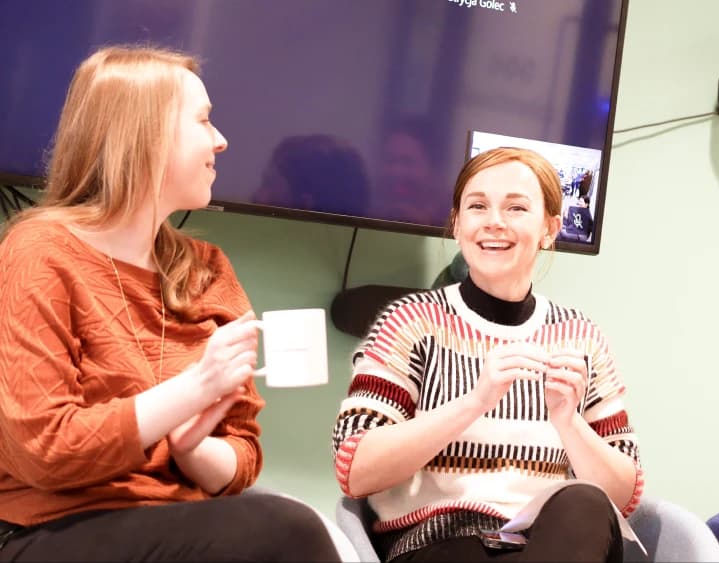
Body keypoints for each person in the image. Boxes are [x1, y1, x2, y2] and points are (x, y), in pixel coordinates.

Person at [0, 46, 341, 561]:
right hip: (52, 528)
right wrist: (193, 390)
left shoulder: (206, 270)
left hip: (176, 519)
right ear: (144, 136)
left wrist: (189, 447)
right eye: (204, 120)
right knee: (287, 528)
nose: (221, 140)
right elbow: (45, 452)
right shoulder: (38, 252)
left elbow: (243, 455)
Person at [331, 147, 642, 562]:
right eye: (477, 206)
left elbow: (623, 496)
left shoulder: (580, 337)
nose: (495, 222)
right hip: (439, 544)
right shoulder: (411, 322)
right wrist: (475, 401)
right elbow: (355, 469)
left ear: (551, 227)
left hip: (548, 545)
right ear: (457, 225)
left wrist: (569, 423)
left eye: (516, 207)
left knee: (586, 503)